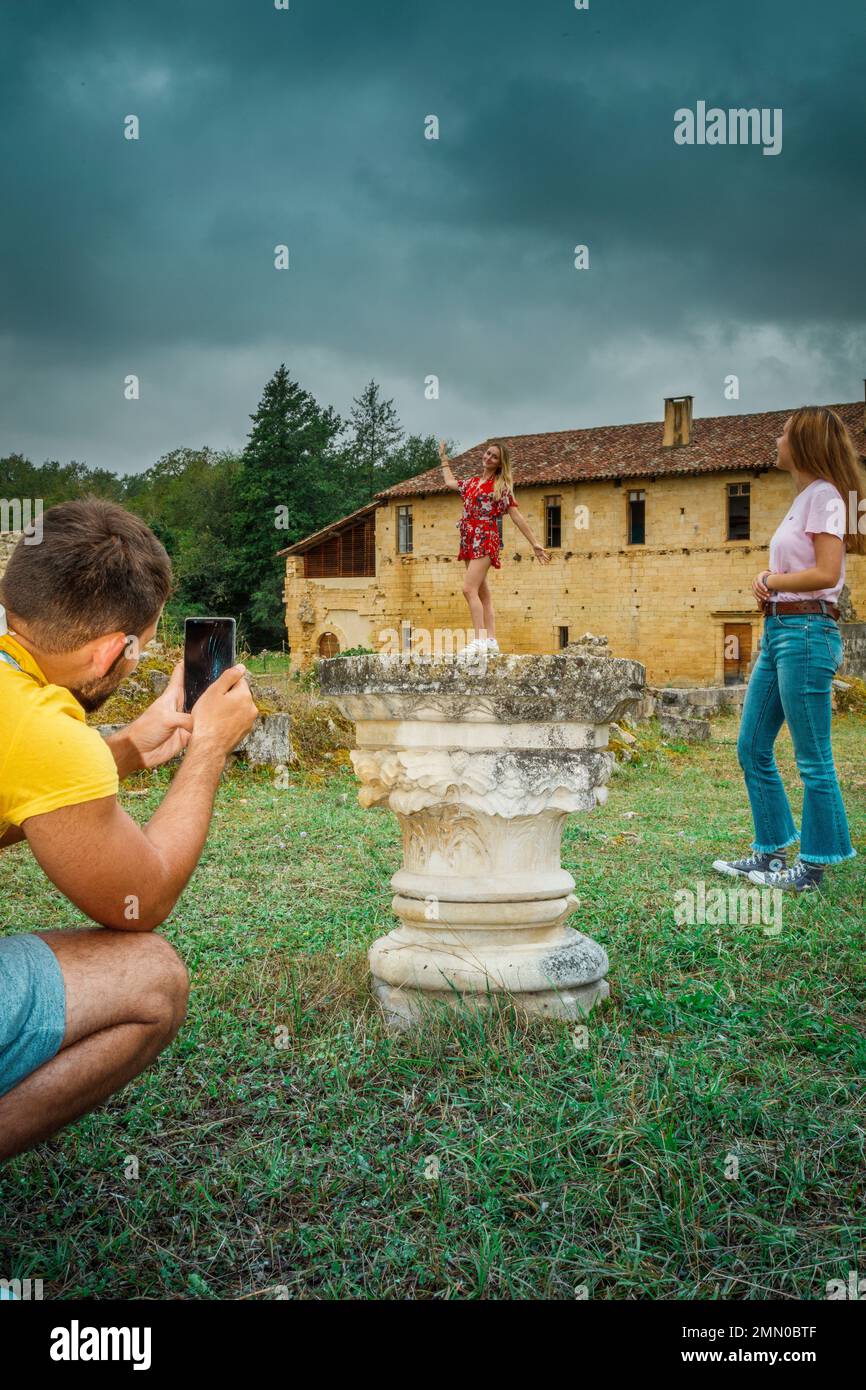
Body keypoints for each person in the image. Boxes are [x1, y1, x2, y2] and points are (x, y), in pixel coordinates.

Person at [0, 499, 258, 1160]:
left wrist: (122, 748)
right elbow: (144, 898)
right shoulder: (43, 733)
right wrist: (207, 753)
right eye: (137, 649)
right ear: (111, 649)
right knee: (152, 978)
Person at [713, 406, 865, 892]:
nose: (775, 441)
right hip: (781, 633)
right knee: (752, 745)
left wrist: (772, 580)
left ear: (801, 445)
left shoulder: (824, 497)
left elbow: (826, 575)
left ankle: (813, 868)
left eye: (782, 434)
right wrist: (767, 580)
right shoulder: (805, 499)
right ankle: (771, 854)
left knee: (812, 756)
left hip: (805, 635)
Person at [438, 439, 550, 658]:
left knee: (468, 589)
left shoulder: (501, 487)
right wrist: (444, 458)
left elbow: (515, 515)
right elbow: (450, 483)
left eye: (494, 457)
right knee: (483, 593)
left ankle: (479, 641)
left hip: (486, 538)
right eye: (487, 453)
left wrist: (535, 543)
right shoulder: (471, 483)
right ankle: (491, 641)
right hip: (469, 539)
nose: (488, 458)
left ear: (500, 464)